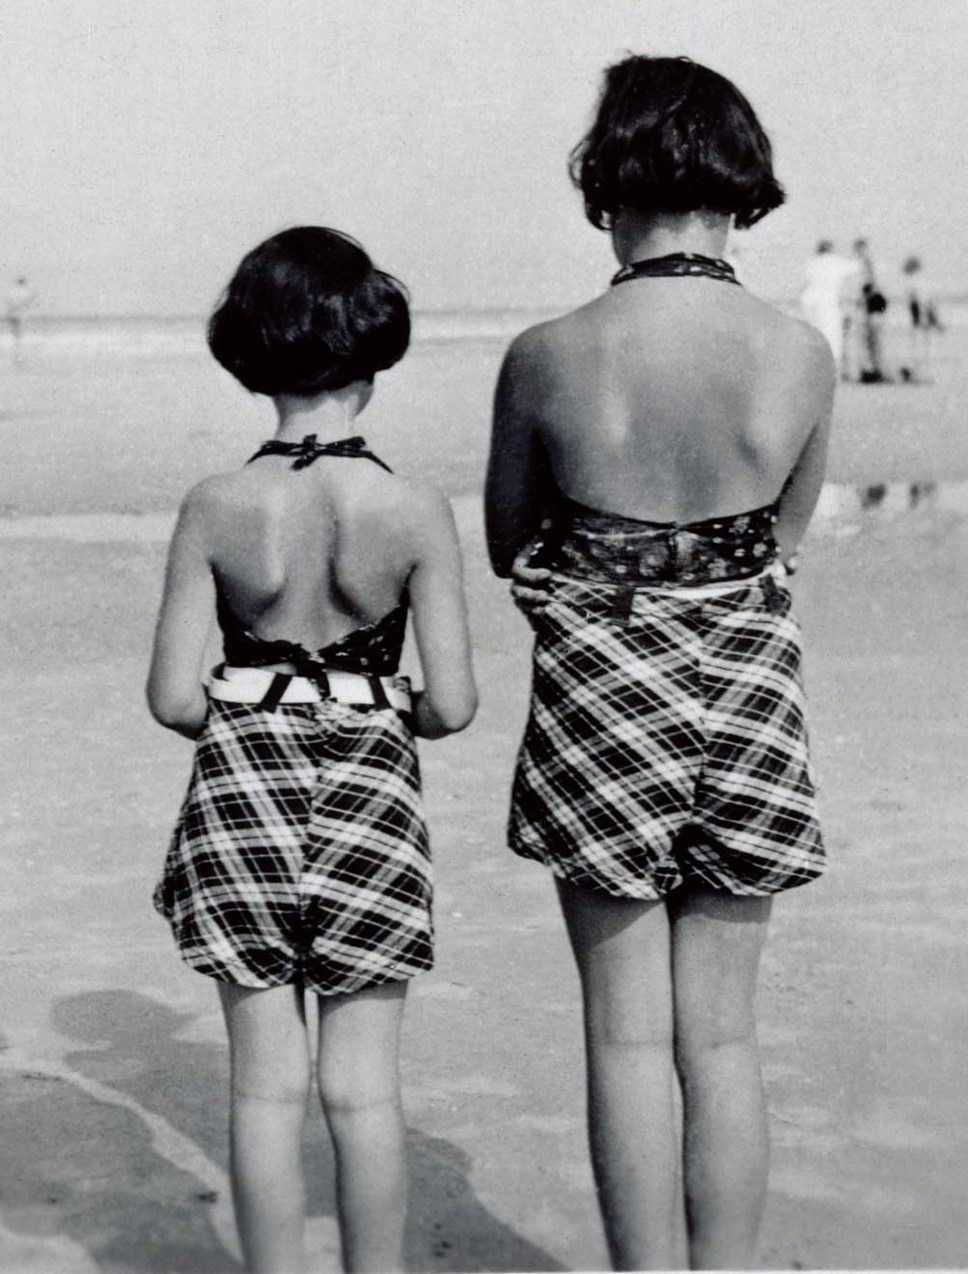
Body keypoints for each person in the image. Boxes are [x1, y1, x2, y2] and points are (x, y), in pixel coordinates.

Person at [485, 55, 834, 1270]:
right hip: (745, 681)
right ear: (740, 192)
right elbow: (780, 544)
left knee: (625, 1036)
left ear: (604, 187)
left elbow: (507, 537)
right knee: (723, 1039)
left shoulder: (547, 352)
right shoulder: (797, 353)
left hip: (601, 686)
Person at [147, 227, 477, 1274]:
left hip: (240, 782)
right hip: (370, 786)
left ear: (248, 353)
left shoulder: (215, 505)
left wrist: (252, 717)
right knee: (363, 1089)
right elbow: (456, 703)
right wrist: (385, 712)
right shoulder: (413, 507)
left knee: (261, 1087)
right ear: (373, 352)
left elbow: (168, 695)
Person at [799, 240, 858, 379]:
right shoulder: (834, 262)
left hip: (810, 300)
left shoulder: (812, 263)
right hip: (827, 301)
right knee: (832, 335)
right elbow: (855, 266)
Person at [899, 254, 944, 383]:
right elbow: (926, 302)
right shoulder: (920, 281)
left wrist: (923, 318)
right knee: (927, 348)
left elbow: (921, 301)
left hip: (919, 318)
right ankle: (922, 374)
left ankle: (919, 374)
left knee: (920, 347)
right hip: (922, 317)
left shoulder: (913, 282)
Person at [851, 237, 888, 382]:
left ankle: (877, 369)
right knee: (871, 339)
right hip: (872, 303)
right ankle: (874, 369)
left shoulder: (868, 264)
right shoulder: (865, 264)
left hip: (874, 303)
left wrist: (863, 298)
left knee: (874, 339)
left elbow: (873, 285)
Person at [5, 275, 35, 366]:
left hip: (11, 313)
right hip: (20, 314)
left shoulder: (12, 291)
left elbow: (8, 301)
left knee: (13, 330)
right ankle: (18, 347)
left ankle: (14, 346)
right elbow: (30, 299)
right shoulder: (25, 291)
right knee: (19, 331)